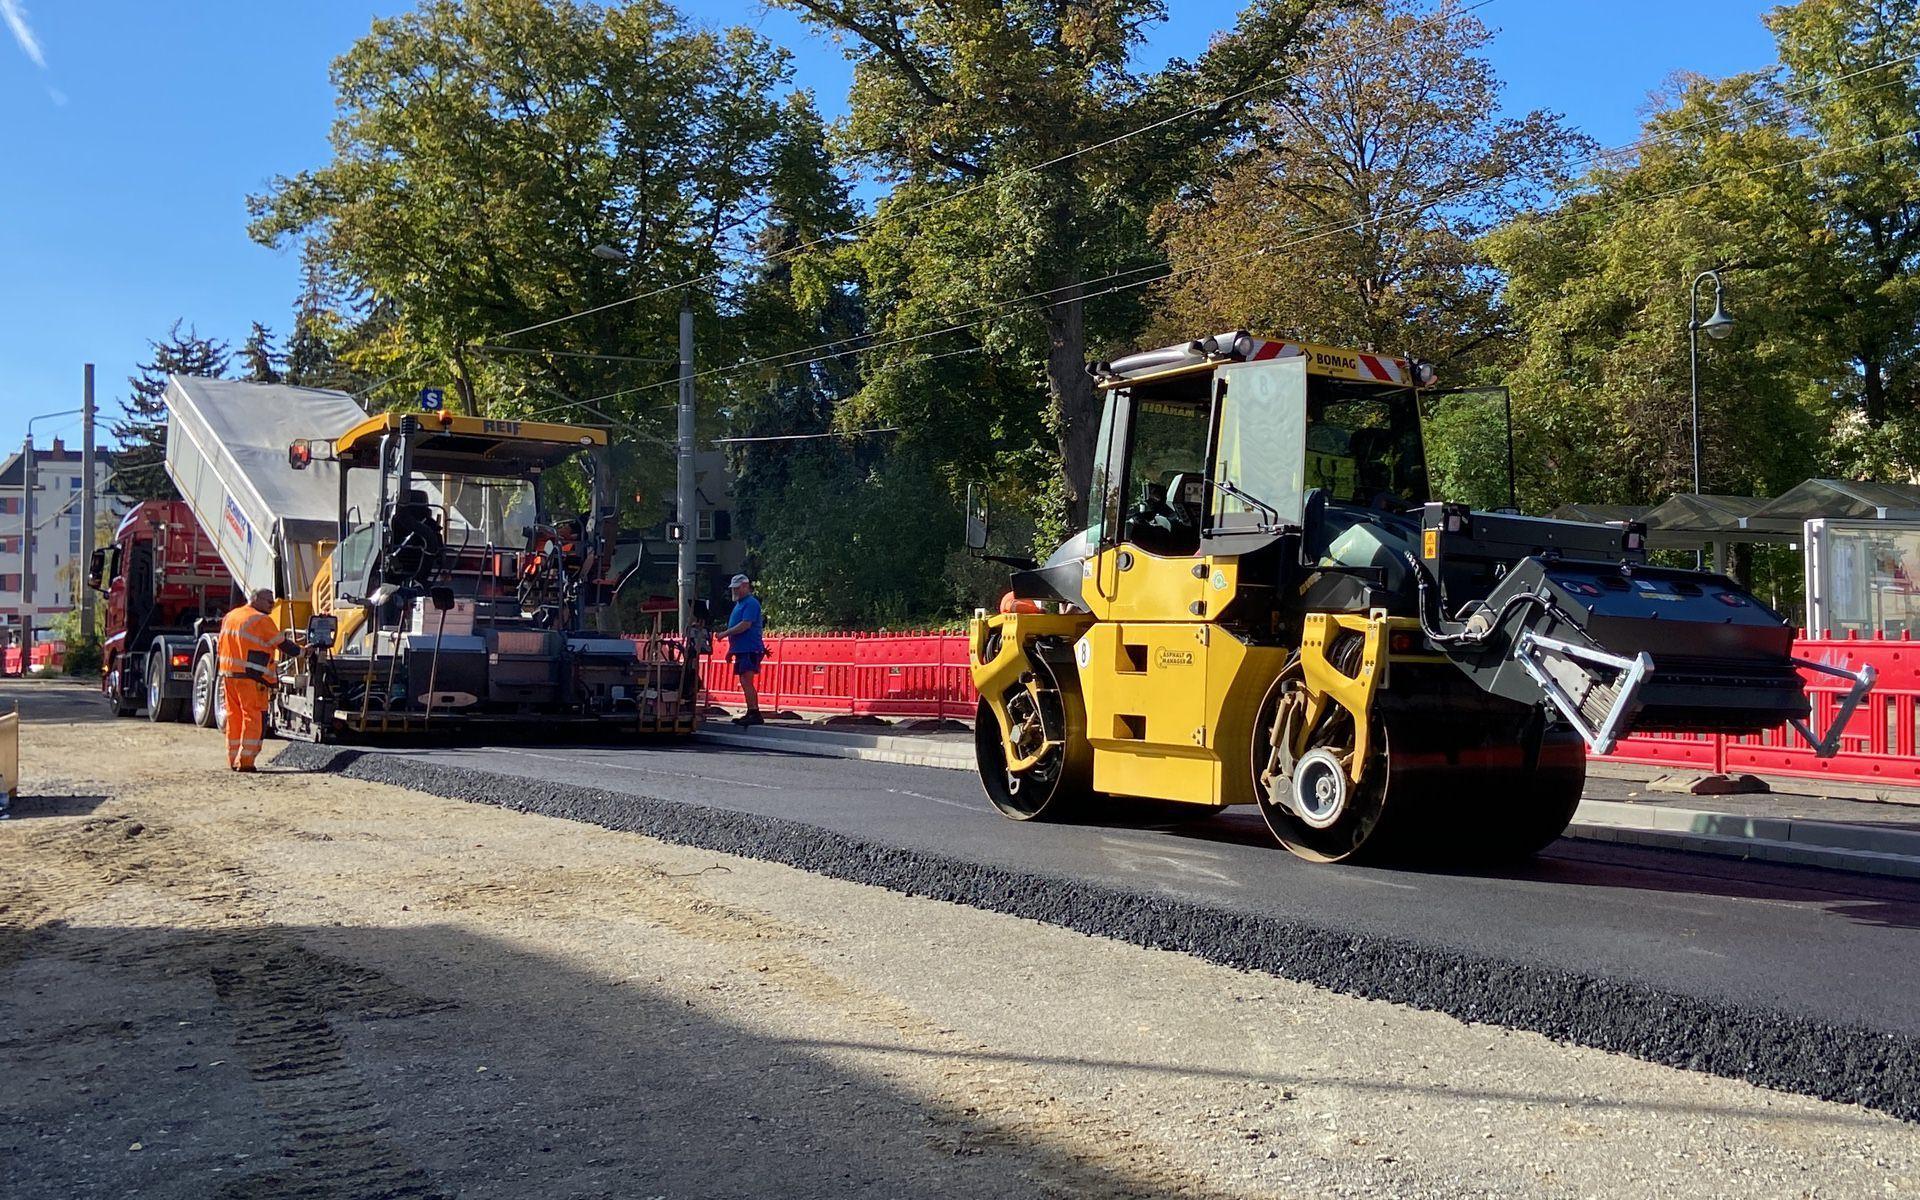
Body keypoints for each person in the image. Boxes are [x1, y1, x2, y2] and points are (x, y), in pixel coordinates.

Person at [216, 588, 300, 772]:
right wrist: (302, 651)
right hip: (251, 677)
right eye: (268, 601)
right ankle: (245, 761)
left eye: (273, 602)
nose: (272, 604)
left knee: (234, 717)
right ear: (254, 599)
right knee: (253, 717)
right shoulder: (261, 620)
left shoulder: (231, 616)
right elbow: (282, 644)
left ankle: (233, 759)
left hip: (229, 675)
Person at [719, 573, 765, 726]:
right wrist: (731, 650)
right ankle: (751, 711)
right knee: (744, 680)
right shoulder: (740, 604)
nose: (735, 591)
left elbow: (745, 625)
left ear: (746, 586)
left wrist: (725, 633)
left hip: (750, 648)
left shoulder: (750, 603)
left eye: (737, 588)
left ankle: (754, 711)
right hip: (742, 649)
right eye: (733, 589)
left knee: (747, 680)